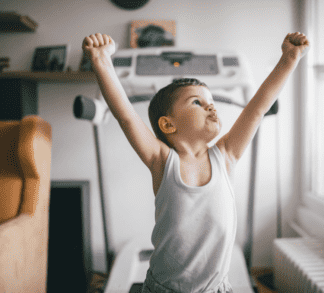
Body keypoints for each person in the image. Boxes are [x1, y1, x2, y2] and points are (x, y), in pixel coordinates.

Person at [82, 32, 309, 293]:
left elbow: (256, 109)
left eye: (211, 102)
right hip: (164, 288)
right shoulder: (162, 159)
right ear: (168, 124)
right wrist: (100, 60)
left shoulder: (225, 155)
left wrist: (290, 59)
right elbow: (127, 117)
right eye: (197, 102)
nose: (211, 107)